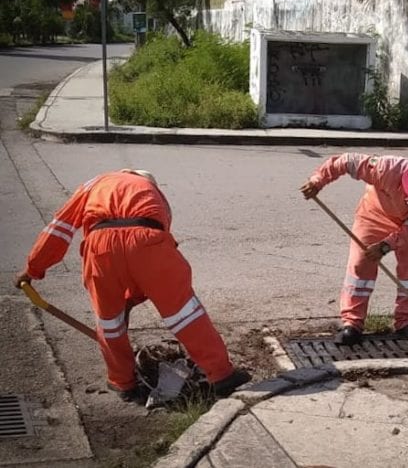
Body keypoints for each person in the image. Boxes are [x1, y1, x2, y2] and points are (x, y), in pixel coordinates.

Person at [15, 169, 250, 403]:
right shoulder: (151, 192)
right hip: (148, 241)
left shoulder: (94, 184)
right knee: (186, 313)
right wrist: (134, 297)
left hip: (101, 247)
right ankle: (221, 375)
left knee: (109, 322)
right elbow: (153, 251)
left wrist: (32, 268)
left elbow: (60, 229)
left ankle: (122, 383)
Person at [300, 153, 408, 346]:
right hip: (373, 215)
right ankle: (352, 323)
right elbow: (345, 161)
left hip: (407, 227)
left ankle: (406, 322)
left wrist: (385, 246)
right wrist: (317, 181)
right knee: (360, 264)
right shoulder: (387, 168)